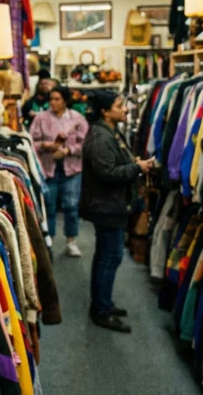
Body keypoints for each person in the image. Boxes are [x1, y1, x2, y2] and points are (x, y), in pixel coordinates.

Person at [80, 91, 153, 333]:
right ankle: (102, 310)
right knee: (109, 257)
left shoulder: (108, 131)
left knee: (105, 255)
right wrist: (136, 167)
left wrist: (133, 164)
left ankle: (103, 304)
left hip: (110, 204)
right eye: (119, 105)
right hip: (107, 206)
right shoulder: (101, 136)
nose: (125, 109)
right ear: (105, 111)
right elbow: (107, 173)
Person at [30, 85, 87, 257]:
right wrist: (46, 145)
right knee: (49, 206)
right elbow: (30, 142)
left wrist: (68, 150)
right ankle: (50, 241)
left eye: (57, 99)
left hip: (72, 168)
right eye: (51, 99)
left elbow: (86, 143)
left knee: (71, 206)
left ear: (65, 101)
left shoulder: (77, 119)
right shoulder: (41, 119)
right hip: (48, 169)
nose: (53, 102)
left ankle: (71, 240)